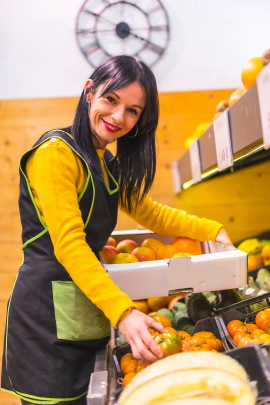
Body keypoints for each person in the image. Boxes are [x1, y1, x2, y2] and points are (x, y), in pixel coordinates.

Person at [1, 55, 232, 405]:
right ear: (89, 92)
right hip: (44, 321)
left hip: (83, 308)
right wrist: (124, 313)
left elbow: (149, 213)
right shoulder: (55, 155)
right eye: (111, 99)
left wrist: (211, 230)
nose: (118, 117)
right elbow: (69, 246)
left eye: (133, 111)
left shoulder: (104, 161)